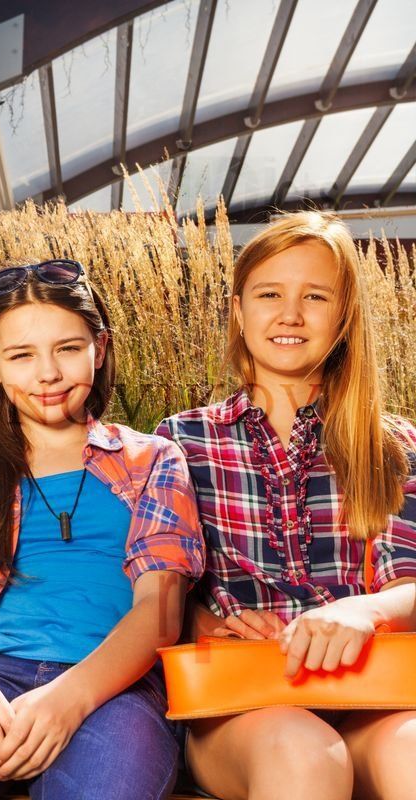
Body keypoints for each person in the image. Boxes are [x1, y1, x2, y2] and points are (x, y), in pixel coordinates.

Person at [0, 259, 204, 799]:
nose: (47, 373)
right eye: (21, 355)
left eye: (68, 349)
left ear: (99, 348)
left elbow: (161, 613)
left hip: (113, 687)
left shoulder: (153, 460)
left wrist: (67, 699)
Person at [157, 212, 416, 800]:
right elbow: (159, 590)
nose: (290, 314)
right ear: (238, 310)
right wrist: (209, 624)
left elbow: (412, 581)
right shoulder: (181, 440)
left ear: (345, 316)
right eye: (269, 293)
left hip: (371, 696)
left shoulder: (394, 443)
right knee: (302, 755)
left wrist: (363, 612)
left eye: (315, 296)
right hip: (240, 703)